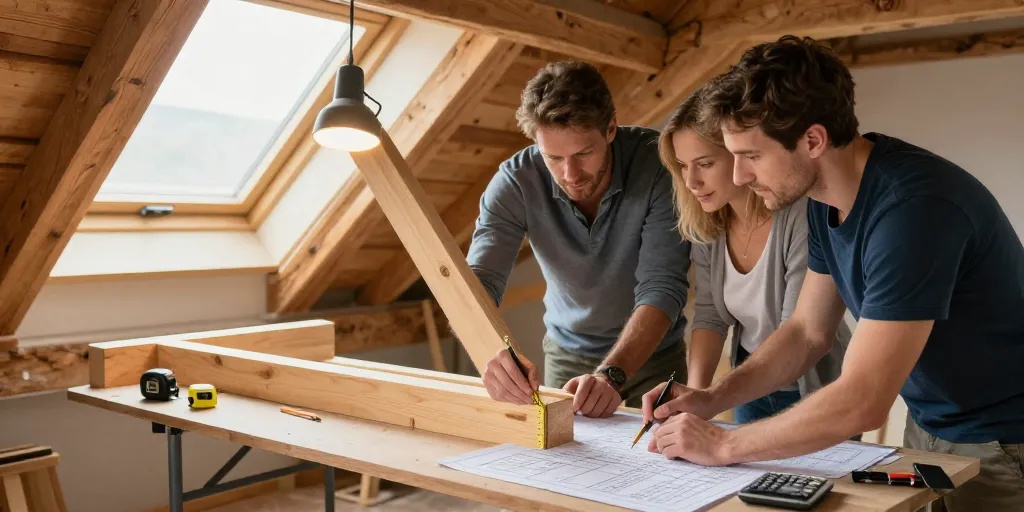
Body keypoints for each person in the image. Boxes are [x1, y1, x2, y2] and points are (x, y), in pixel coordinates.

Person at [641, 36, 1024, 510]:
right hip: (930, 425)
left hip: (1003, 440)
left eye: (751, 156)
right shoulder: (827, 200)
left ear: (813, 140)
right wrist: (711, 398)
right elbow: (807, 332)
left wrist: (722, 445)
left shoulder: (913, 211)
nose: (737, 176)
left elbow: (863, 399)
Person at [467, 61, 691, 417]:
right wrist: (489, 348)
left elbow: (663, 285)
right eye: (553, 157)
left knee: (669, 462)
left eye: (583, 154)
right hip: (566, 355)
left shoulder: (658, 164)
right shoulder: (515, 182)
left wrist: (612, 374)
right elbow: (478, 283)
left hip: (655, 355)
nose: (570, 174)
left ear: (611, 129)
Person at [657, 86, 851, 425]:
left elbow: (799, 330)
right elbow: (709, 317)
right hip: (747, 386)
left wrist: (713, 398)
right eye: (683, 166)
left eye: (704, 164)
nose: (691, 181)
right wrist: (694, 401)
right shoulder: (708, 221)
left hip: (813, 389)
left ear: (740, 154)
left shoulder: (802, 216)